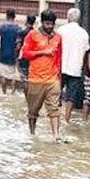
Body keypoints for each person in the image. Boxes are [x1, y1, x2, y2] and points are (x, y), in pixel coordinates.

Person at [20, 9, 64, 142]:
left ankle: (56, 135)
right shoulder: (32, 35)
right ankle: (32, 134)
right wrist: (43, 52)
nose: (50, 27)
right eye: (47, 24)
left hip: (52, 79)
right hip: (35, 79)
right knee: (33, 111)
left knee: (54, 108)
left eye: (52, 24)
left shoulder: (58, 37)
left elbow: (59, 58)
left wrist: (59, 77)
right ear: (42, 22)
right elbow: (25, 54)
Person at [58, 8, 90, 124]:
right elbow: (86, 52)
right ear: (79, 18)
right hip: (76, 69)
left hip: (60, 67)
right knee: (71, 96)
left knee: (56, 92)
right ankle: (66, 119)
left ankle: (55, 115)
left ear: (68, 17)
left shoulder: (60, 30)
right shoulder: (84, 33)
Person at [0, 9, 22, 94]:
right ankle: (12, 93)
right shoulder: (18, 28)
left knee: (2, 75)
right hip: (13, 55)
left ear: (6, 16)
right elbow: (18, 44)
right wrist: (17, 54)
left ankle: (4, 92)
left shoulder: (1, 26)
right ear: (14, 16)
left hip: (2, 53)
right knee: (13, 75)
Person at [17, 14, 37, 85]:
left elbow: (18, 47)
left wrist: (16, 58)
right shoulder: (36, 33)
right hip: (33, 59)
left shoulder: (21, 33)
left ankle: (26, 91)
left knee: (24, 78)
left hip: (23, 59)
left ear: (26, 21)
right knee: (31, 78)